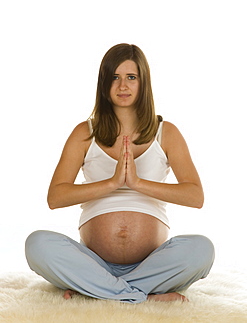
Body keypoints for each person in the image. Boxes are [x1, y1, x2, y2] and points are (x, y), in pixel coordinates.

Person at [25, 43, 215, 304]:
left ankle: (99, 293)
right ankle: (140, 297)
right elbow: (55, 197)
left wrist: (136, 183)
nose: (122, 86)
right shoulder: (84, 133)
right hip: (94, 264)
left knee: (202, 249)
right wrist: (112, 183)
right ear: (104, 83)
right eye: (114, 77)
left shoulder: (166, 132)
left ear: (143, 83)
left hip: (152, 265)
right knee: (37, 244)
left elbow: (195, 196)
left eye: (131, 77)